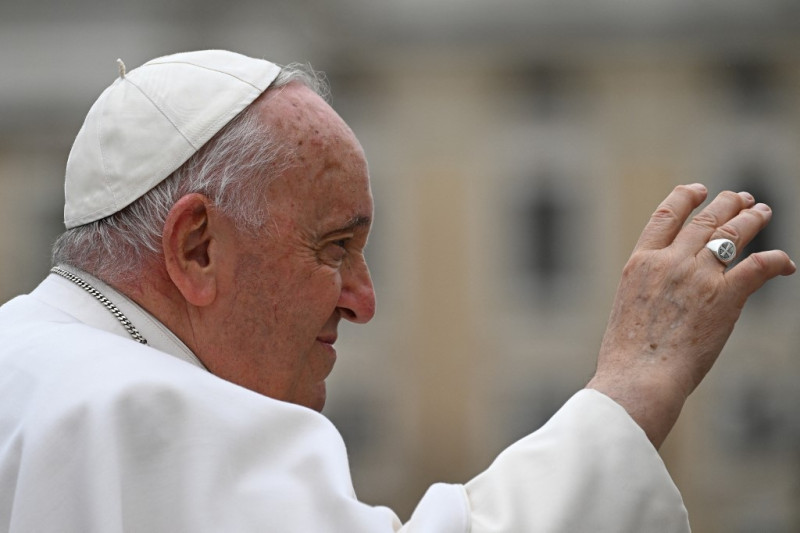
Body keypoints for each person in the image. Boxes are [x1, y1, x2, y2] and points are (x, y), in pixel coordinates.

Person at [0, 50, 794, 532]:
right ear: (197, 247)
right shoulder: (147, 413)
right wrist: (635, 383)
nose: (363, 299)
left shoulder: (29, 359)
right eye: (335, 247)